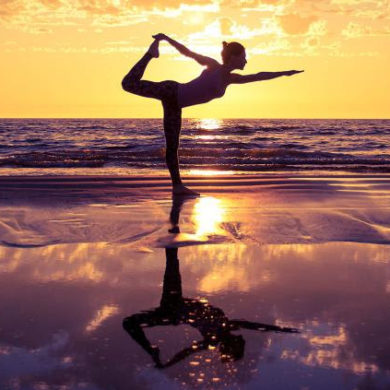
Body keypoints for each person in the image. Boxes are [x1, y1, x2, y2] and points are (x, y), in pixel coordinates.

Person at [121, 34, 303, 196]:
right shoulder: (212, 65)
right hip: (171, 91)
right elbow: (188, 53)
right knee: (128, 83)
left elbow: (259, 76)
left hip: (175, 105)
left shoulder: (232, 79)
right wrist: (167, 39)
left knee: (172, 147)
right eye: (244, 57)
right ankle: (150, 55)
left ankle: (177, 186)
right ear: (233, 57)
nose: (246, 61)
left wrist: (284, 73)